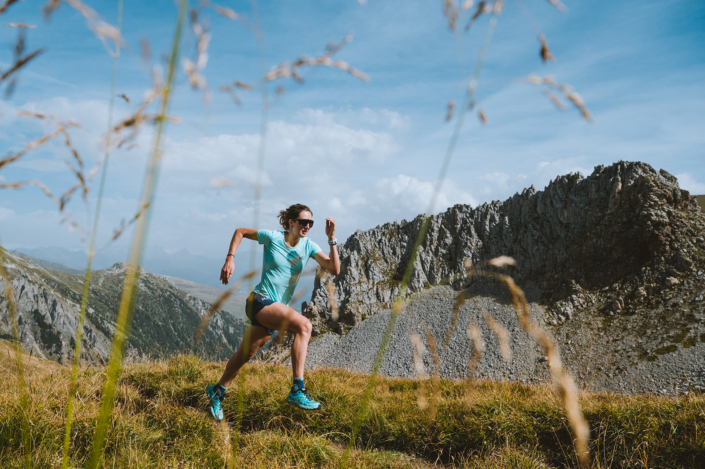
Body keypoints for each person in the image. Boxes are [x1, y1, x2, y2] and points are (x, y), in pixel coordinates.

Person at [205, 203, 340, 420]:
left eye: (310, 223)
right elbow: (240, 231)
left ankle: (217, 391)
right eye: (303, 222)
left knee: (245, 355)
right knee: (304, 325)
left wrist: (331, 239)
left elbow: (334, 268)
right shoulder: (273, 237)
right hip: (259, 301)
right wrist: (230, 257)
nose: (307, 226)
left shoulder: (309, 246)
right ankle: (298, 389)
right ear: (291, 223)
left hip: (275, 308)